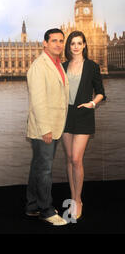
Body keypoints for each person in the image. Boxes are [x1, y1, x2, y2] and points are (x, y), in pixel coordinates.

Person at [25, 28, 69, 226]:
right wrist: (45, 129)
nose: (58, 44)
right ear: (45, 43)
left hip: (54, 123)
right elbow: (38, 101)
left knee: (38, 166)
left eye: (61, 40)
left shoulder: (57, 64)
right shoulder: (39, 66)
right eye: (54, 41)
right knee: (45, 170)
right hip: (45, 127)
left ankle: (32, 205)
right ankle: (46, 209)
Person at [61, 31, 106, 221]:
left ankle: (78, 200)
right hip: (65, 116)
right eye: (73, 43)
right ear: (69, 46)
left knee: (77, 158)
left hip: (84, 114)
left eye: (79, 43)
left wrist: (93, 103)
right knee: (70, 158)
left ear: (85, 45)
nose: (76, 46)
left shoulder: (92, 66)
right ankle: (72, 196)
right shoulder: (62, 66)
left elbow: (101, 92)